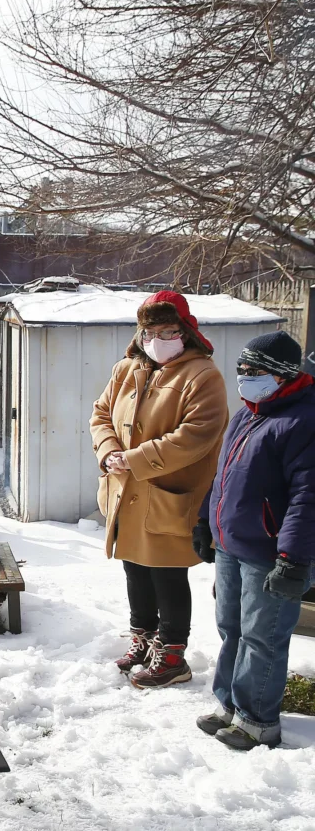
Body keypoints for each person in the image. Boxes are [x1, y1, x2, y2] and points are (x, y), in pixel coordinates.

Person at [89, 291, 228, 689]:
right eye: (150, 331)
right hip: (126, 491)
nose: (157, 338)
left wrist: (133, 458)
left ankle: (172, 655)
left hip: (169, 492)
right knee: (134, 567)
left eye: (168, 330)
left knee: (167, 574)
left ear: (185, 332)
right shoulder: (126, 368)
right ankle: (144, 639)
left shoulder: (203, 375)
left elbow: (196, 436)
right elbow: (100, 414)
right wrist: (109, 451)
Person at [194, 331, 315, 750]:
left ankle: (258, 720)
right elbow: (224, 474)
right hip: (232, 544)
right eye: (242, 370)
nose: (245, 378)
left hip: (272, 551)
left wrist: (293, 558)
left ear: (282, 376)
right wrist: (204, 523)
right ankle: (229, 704)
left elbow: (307, 496)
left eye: (255, 371)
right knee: (232, 628)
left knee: (263, 636)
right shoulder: (249, 412)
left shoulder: (303, 420)